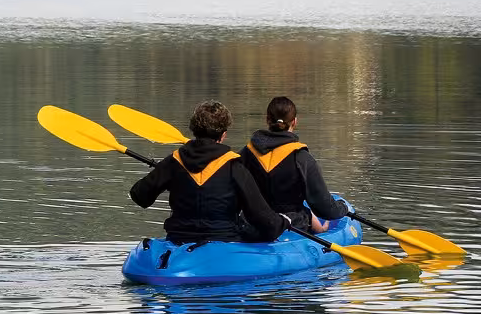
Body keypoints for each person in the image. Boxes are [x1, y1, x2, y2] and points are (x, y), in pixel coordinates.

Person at [129, 100, 288, 244]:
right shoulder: (234, 166)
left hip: (179, 237)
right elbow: (261, 217)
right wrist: (282, 222)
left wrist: (174, 180)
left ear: (194, 130)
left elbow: (139, 195)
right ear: (223, 134)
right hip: (224, 239)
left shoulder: (174, 161)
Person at [239, 96, 351, 232]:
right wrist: (343, 207)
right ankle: (320, 229)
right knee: (309, 216)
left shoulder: (245, 154)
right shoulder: (302, 159)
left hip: (251, 223)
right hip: (293, 224)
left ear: (267, 120)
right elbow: (325, 209)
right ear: (294, 122)